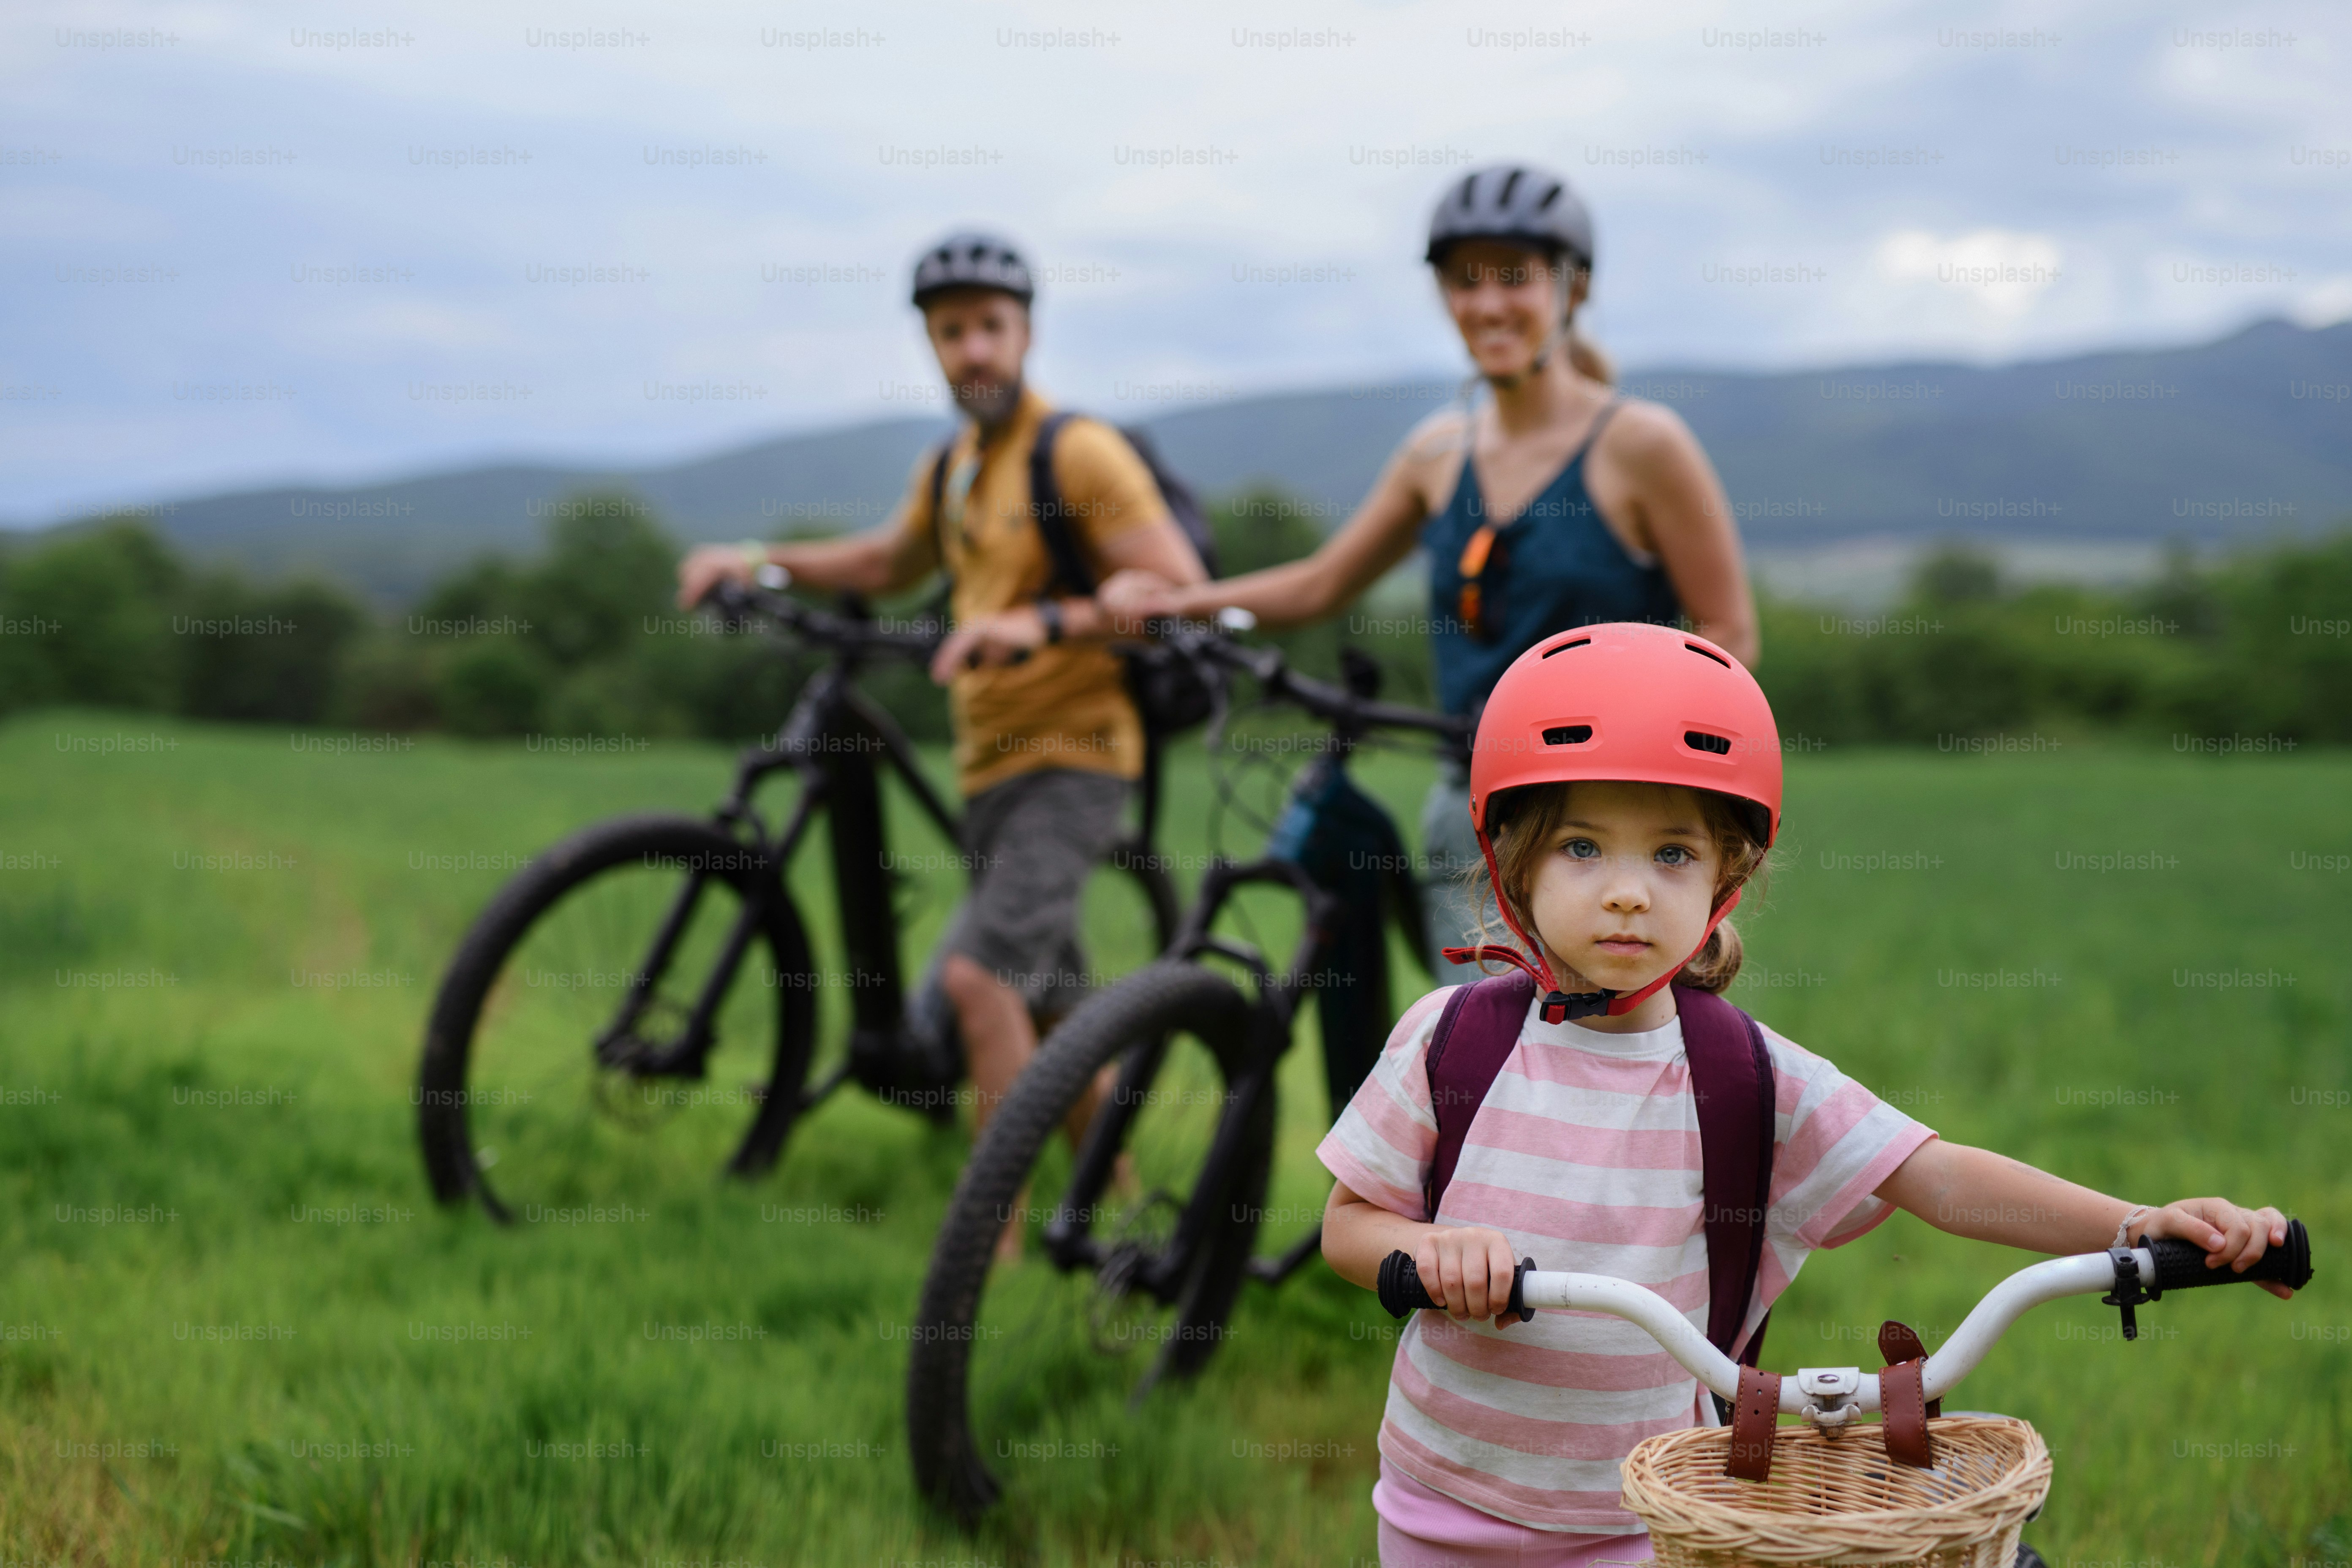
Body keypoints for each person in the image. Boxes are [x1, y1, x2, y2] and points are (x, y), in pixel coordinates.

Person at [1313, 622, 2295, 1567]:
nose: (1627, 891)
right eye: (1582, 847)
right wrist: (1430, 1249)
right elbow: (1350, 1222)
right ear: (1512, 858)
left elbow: (1940, 1176)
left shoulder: (1748, 1073)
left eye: (1672, 854)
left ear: (1726, 877)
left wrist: (2132, 1225)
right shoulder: (1451, 1037)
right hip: (1439, 1495)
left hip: (1645, 1510)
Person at [1101, 162, 1759, 982]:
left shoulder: (1642, 444)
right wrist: (1178, 604)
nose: (1487, 304)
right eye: (1463, 281)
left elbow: (1728, 631)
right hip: (1474, 805)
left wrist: (1653, 771)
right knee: (1485, 1071)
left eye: (1514, 277)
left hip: (1614, 820)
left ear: (1572, 288)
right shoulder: (1436, 453)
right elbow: (1320, 583)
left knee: (1613, 1070)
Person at [676, 231, 1208, 1155]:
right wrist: (760, 561)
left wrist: (1042, 624)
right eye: (951, 331)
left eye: (990, 327)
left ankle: (989, 1245)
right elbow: (885, 559)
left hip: (1076, 756)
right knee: (1045, 1003)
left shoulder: (1077, 451)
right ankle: (1113, 1200)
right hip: (987, 763)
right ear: (931, 343)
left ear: (1027, 332)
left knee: (978, 979)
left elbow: (1175, 586)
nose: (973, 350)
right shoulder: (953, 466)